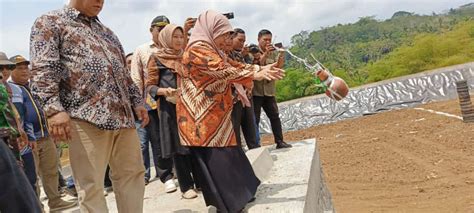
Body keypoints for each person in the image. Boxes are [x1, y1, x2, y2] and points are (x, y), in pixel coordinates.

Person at [30, 0, 148, 212]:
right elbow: (43, 69)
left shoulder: (108, 32)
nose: (100, 1)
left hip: (123, 118)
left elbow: (122, 71)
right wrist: (54, 110)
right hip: (84, 118)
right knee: (91, 186)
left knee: (132, 175)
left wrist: (136, 100)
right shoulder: (50, 22)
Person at [176, 10, 285, 212]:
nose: (228, 39)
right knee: (219, 163)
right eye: (225, 34)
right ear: (212, 31)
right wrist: (256, 72)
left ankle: (241, 194)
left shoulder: (213, 49)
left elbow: (233, 64)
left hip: (216, 114)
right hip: (201, 119)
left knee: (230, 155)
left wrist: (259, 70)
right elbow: (222, 70)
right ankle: (229, 204)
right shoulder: (197, 49)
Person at [9, 54, 77, 211]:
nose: (25, 71)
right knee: (31, 176)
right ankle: (37, 206)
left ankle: (55, 201)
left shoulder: (36, 87)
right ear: (12, 71)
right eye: (19, 68)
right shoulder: (13, 90)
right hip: (29, 140)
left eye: (26, 67)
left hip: (46, 136)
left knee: (51, 171)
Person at [146, 24, 199, 199]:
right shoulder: (157, 58)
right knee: (179, 147)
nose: (178, 40)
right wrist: (164, 91)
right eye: (175, 37)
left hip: (191, 106)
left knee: (196, 145)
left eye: (181, 36)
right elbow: (150, 87)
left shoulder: (187, 56)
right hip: (170, 107)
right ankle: (186, 186)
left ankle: (201, 181)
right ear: (167, 38)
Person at [130, 15, 176, 189]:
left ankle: (180, 170)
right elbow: (136, 78)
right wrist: (138, 103)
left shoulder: (174, 47)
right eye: (159, 29)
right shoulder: (142, 50)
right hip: (152, 102)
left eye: (166, 29)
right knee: (158, 139)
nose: (163, 32)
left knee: (176, 136)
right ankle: (166, 175)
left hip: (174, 100)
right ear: (151, 31)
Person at [0, 51, 42, 213]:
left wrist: (24, 132)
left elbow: (22, 114)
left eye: (6, 67)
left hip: (19, 145)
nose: (4, 71)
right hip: (5, 147)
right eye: (0, 67)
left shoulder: (17, 91)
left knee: (27, 182)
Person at [252, 29, 292, 149]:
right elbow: (257, 66)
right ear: (258, 39)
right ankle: (255, 145)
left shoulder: (273, 52)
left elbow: (278, 66)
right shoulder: (252, 51)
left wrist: (281, 54)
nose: (267, 42)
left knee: (275, 116)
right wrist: (265, 54)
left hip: (269, 91)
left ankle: (280, 141)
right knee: (255, 119)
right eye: (265, 40)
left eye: (269, 39)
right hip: (256, 91)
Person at [228, 28, 260, 149]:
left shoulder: (241, 55)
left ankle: (255, 150)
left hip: (246, 96)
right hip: (233, 99)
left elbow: (247, 69)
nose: (242, 43)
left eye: (243, 41)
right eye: (239, 40)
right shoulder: (223, 55)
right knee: (235, 132)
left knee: (251, 129)